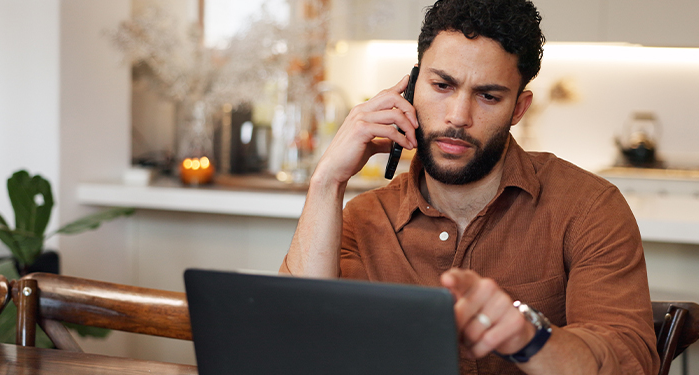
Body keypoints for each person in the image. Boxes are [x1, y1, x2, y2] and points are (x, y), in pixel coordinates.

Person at [279, 0, 659, 373]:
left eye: (488, 96)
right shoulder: (363, 220)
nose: (459, 117)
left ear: (518, 109)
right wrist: (327, 180)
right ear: (411, 88)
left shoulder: (588, 209)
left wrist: (529, 339)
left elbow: (627, 362)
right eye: (442, 85)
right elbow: (292, 341)